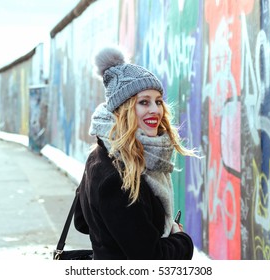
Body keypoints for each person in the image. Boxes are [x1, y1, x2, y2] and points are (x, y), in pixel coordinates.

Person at [73, 47, 197, 260]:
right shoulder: (119, 177)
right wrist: (182, 239)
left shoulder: (100, 154)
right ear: (123, 109)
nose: (155, 110)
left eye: (158, 101)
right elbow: (151, 259)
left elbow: (83, 221)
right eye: (143, 102)